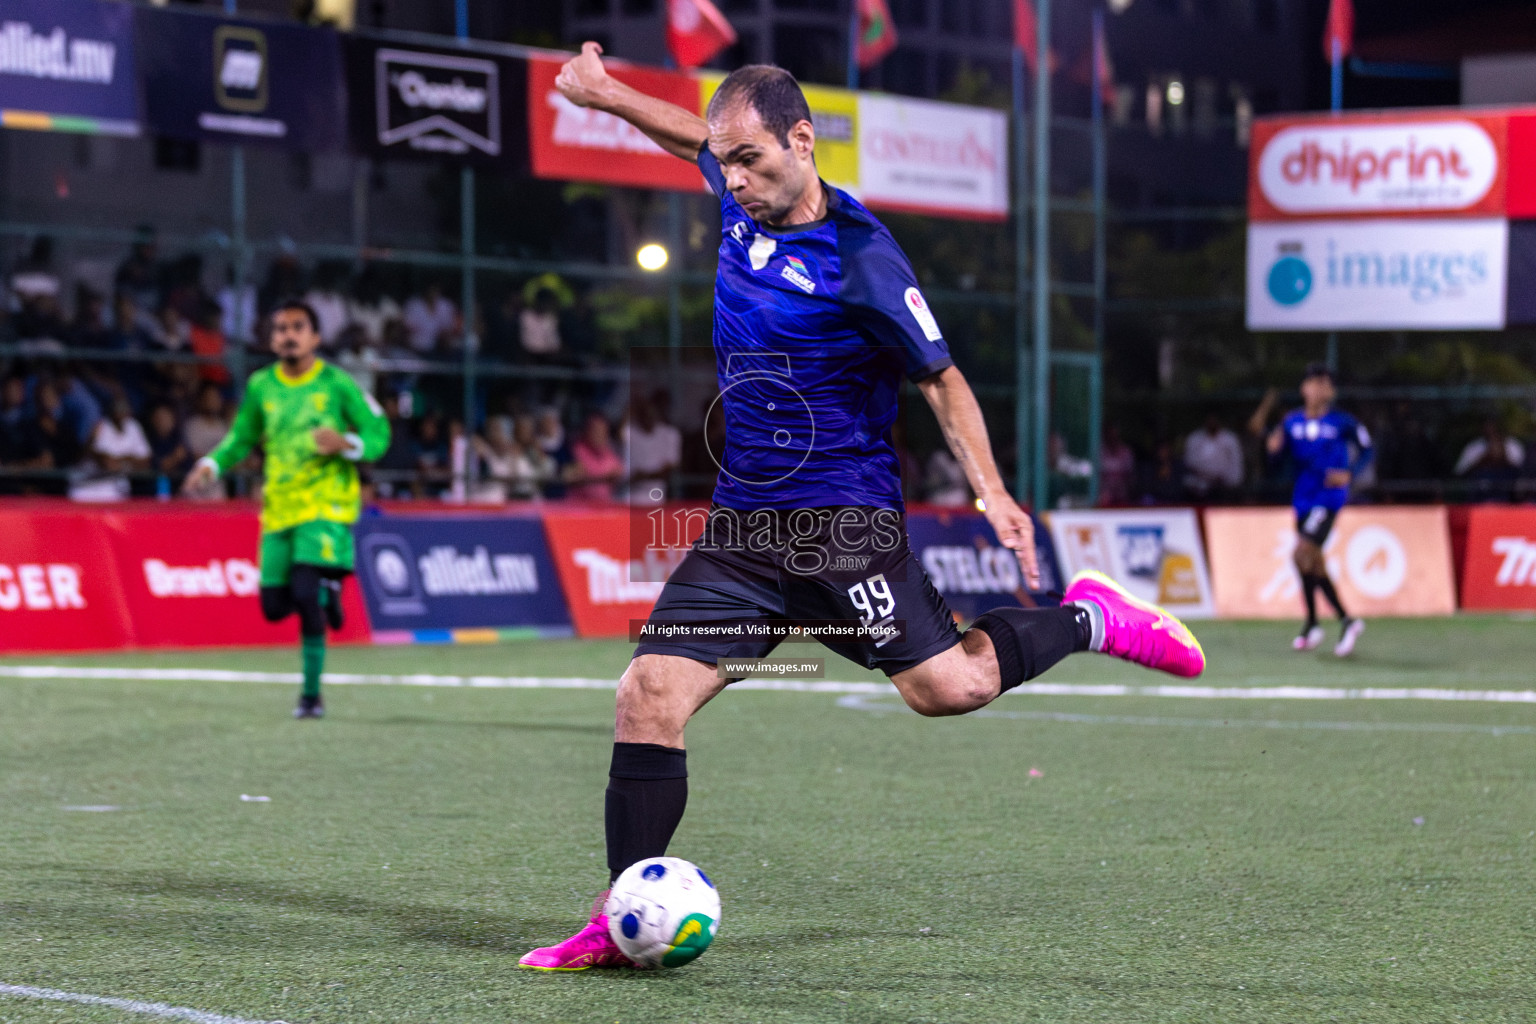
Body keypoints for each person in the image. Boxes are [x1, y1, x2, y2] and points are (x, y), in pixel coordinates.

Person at [517, 47, 1206, 972]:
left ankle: (1089, 619)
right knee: (647, 695)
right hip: (742, 534)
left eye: (752, 161)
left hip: (846, 532)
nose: (733, 179)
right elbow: (697, 135)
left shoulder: (864, 258)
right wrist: (605, 96)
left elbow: (943, 380)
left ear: (803, 143)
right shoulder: (736, 183)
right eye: (724, 162)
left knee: (947, 689)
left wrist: (992, 492)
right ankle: (618, 915)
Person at [183, 300, 389, 719]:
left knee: (303, 592)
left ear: (315, 337)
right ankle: (329, 589)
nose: (288, 335)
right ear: (271, 338)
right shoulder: (261, 385)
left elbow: (378, 432)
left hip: (324, 505)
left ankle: (310, 697)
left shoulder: (337, 383)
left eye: (298, 327)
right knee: (273, 607)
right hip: (278, 507)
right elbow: (242, 438)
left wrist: (348, 444)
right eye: (280, 329)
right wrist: (212, 463)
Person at [1251, 364, 1373, 657]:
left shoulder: (1343, 422)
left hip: (1329, 497)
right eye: (1314, 382)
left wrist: (1351, 473)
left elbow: (1368, 448)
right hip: (1303, 498)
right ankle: (1321, 623)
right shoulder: (1291, 422)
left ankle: (1339, 621)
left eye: (1325, 383)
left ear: (1331, 391)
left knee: (1301, 552)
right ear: (1304, 389)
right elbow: (1271, 451)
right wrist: (1274, 448)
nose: (1319, 388)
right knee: (1309, 561)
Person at [565, 411, 623, 502]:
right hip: (578, 507)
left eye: (602, 431)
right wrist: (604, 478)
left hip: (604, 507)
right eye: (595, 430)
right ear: (586, 431)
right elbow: (571, 478)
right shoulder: (575, 451)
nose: (599, 435)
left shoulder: (610, 454)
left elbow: (618, 475)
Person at [1183, 414, 1243, 499]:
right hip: (1199, 487)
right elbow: (1189, 462)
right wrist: (1208, 475)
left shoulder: (1230, 439)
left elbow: (1236, 466)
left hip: (1225, 487)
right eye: (1209, 420)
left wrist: (1231, 483)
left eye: (1214, 420)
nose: (1212, 422)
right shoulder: (1195, 438)